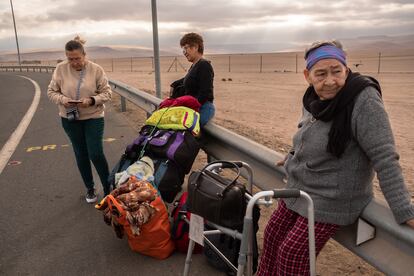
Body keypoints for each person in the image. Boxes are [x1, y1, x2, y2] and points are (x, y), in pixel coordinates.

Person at [257, 40, 414, 276]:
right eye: (320, 74)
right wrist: (292, 155)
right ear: (307, 75)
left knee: (292, 252)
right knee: (271, 235)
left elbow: (385, 156)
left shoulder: (364, 100)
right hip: (301, 185)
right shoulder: (313, 99)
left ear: (346, 70)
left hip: (333, 196)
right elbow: (306, 134)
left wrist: (405, 211)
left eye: (336, 71)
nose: (330, 81)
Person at [47, 36, 112, 203]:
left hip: (93, 116)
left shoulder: (96, 69)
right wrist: (63, 100)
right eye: (70, 59)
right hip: (69, 118)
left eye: (77, 58)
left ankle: (108, 188)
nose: (74, 62)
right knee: (80, 153)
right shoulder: (60, 69)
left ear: (84, 55)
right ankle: (90, 188)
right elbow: (52, 92)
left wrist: (91, 100)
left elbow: (107, 93)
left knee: (96, 153)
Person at [170, 32, 215, 127]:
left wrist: (191, 107)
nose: (184, 52)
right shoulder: (194, 66)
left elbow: (205, 92)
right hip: (194, 108)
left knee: (189, 133)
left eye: (186, 48)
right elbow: (188, 79)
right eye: (183, 49)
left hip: (203, 108)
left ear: (196, 47)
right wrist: (174, 84)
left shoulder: (204, 65)